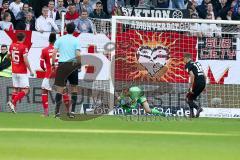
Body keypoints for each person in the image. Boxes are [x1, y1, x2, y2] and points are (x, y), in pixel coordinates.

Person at [52, 22, 81, 118]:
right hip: (72, 65)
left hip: (62, 65)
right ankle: (72, 112)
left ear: (65, 29)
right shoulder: (76, 40)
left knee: (59, 89)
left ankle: (57, 112)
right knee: (74, 89)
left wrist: (53, 64)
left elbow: (54, 53)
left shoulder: (60, 39)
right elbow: (78, 54)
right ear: (74, 30)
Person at [40, 33, 70, 117]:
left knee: (44, 91)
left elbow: (41, 64)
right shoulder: (60, 49)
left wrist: (46, 70)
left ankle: (46, 112)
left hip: (49, 73)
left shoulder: (44, 50)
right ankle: (68, 112)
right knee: (63, 92)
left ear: (49, 40)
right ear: (55, 40)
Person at [7, 32, 34, 113]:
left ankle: (13, 107)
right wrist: (30, 70)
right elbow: (25, 60)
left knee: (15, 89)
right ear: (24, 38)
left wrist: (12, 61)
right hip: (22, 71)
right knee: (26, 90)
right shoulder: (24, 47)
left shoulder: (12, 45)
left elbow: (8, 56)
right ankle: (12, 102)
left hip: (14, 71)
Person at [183, 53, 206, 118]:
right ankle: (192, 114)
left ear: (186, 58)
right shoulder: (197, 63)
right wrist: (204, 86)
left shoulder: (188, 65)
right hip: (203, 83)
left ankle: (198, 108)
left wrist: (190, 87)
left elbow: (192, 76)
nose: (183, 60)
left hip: (197, 82)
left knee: (188, 98)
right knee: (190, 98)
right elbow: (205, 76)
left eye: (183, 59)